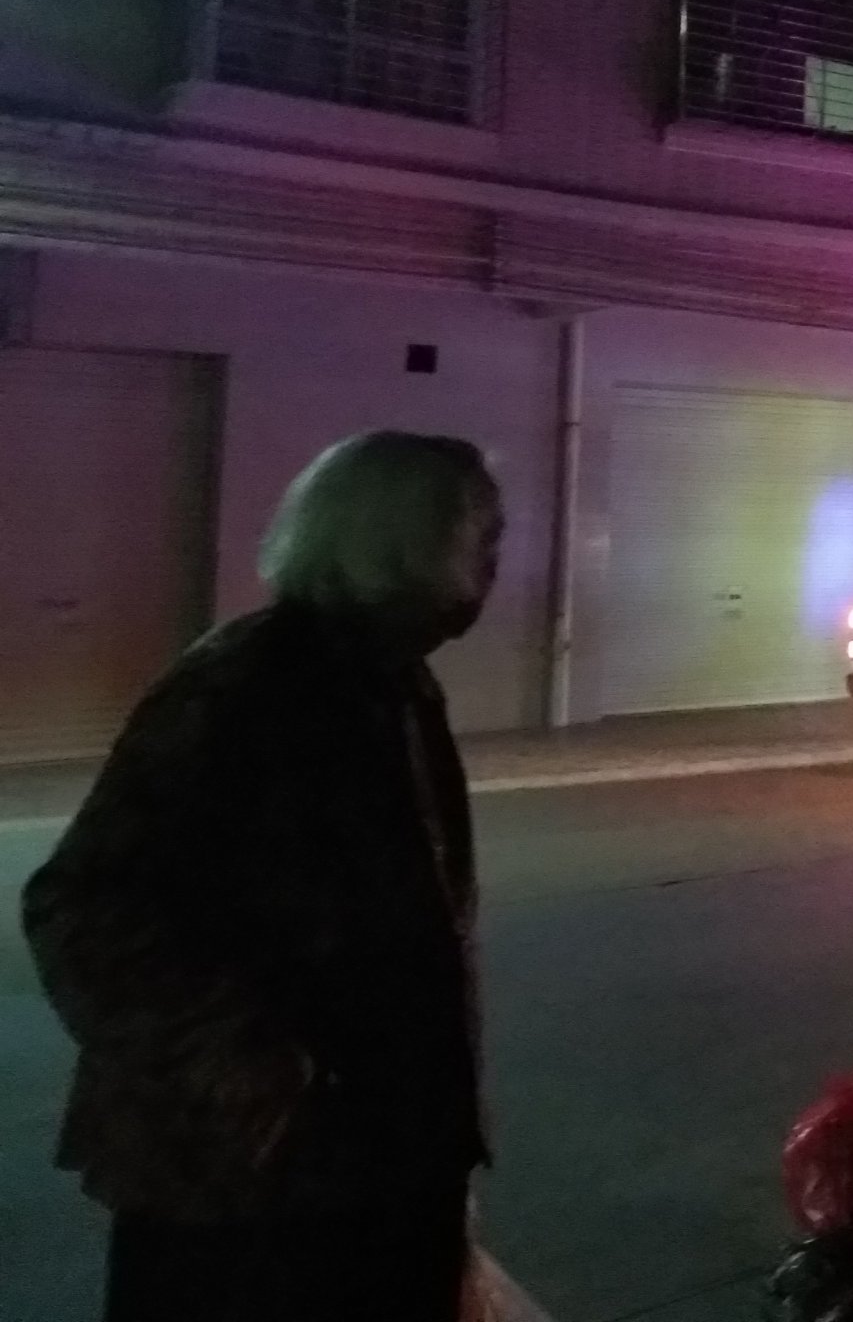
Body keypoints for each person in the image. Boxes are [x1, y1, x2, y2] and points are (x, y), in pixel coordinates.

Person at [23, 432, 505, 1322]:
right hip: (244, 1192)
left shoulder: (394, 685)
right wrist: (257, 1075)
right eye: (483, 536)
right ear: (404, 542)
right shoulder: (244, 689)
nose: (497, 565)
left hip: (382, 1168)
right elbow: (83, 907)